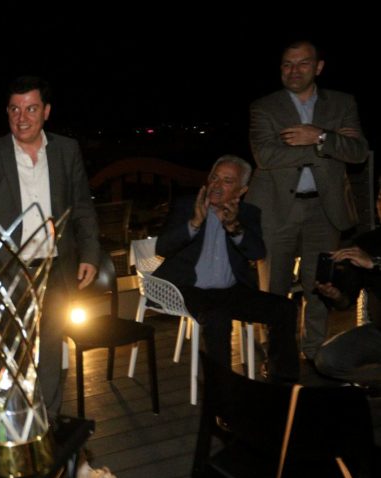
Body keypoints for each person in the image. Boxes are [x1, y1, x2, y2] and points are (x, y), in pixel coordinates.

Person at [0, 75, 101, 420]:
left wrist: (90, 254)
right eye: (14, 109)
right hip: (6, 273)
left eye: (31, 109)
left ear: (46, 111)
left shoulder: (66, 151)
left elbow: (82, 206)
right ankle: (9, 425)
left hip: (54, 270)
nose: (21, 118)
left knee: (50, 352)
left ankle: (46, 425)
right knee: (6, 355)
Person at [246, 40, 369, 361]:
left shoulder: (342, 103)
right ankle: (276, 352)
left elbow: (357, 152)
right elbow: (266, 155)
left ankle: (314, 351)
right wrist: (327, 144)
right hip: (276, 208)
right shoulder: (264, 107)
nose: (294, 70)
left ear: (318, 67)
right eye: (287, 64)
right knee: (274, 286)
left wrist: (319, 135)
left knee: (320, 283)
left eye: (302, 63)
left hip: (324, 209)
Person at [154, 155, 299, 383]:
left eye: (227, 181)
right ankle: (221, 391)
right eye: (214, 178)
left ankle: (282, 381)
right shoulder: (187, 205)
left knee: (285, 308)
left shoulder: (247, 214)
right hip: (188, 288)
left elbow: (257, 253)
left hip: (230, 290)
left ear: (241, 191)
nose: (217, 185)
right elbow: (162, 247)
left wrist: (234, 227)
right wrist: (194, 224)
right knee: (217, 317)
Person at [314, 188, 381, 388]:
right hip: (378, 333)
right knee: (327, 358)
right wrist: (335, 295)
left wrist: (375, 264)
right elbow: (346, 302)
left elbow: (372, 264)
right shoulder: (367, 243)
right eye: (380, 199)